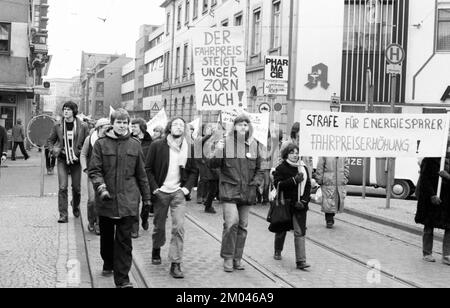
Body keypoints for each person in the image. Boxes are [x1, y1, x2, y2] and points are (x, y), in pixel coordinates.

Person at [89, 109, 151, 288]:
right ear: (112, 123)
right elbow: (94, 170)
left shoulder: (135, 144)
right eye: (119, 122)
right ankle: (108, 261)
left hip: (128, 200)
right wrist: (101, 187)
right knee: (107, 239)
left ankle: (123, 280)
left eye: (125, 123)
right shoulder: (101, 144)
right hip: (106, 199)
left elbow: (141, 174)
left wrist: (147, 199)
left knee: (124, 242)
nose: (122, 126)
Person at [208, 114, 263, 273]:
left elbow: (260, 168)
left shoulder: (254, 145)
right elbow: (212, 164)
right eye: (240, 124)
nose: (243, 127)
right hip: (229, 190)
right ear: (234, 126)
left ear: (249, 127)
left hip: (247, 192)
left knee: (243, 227)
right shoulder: (225, 143)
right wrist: (218, 150)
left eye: (246, 124)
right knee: (231, 223)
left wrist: (256, 181)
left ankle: (237, 258)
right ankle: (227, 257)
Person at [145, 117, 198, 279]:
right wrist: (155, 189)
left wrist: (186, 189)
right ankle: (156, 248)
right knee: (159, 226)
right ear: (169, 127)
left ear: (185, 129)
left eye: (182, 125)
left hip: (178, 194)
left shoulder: (190, 148)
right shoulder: (157, 145)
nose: (178, 127)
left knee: (179, 227)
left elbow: (194, 171)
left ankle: (176, 263)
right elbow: (148, 168)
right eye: (175, 124)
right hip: (161, 192)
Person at [47, 102, 90, 223]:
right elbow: (50, 141)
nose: (66, 111)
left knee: (76, 188)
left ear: (74, 111)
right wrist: (53, 151)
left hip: (76, 161)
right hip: (62, 159)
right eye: (64, 109)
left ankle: (75, 206)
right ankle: (63, 214)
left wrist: (82, 153)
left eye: (69, 109)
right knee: (62, 187)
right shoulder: (58, 125)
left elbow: (88, 142)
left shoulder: (83, 125)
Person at [273, 143, 311, 270]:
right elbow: (278, 184)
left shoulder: (303, 168)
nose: (295, 155)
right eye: (292, 152)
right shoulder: (281, 168)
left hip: (299, 206)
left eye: (296, 152)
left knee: (299, 232)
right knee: (281, 230)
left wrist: (304, 201)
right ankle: (278, 249)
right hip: (285, 204)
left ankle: (301, 261)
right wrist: (294, 180)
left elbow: (308, 186)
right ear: (286, 154)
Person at [415, 138, 450, 265]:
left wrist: (447, 177)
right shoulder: (430, 159)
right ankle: (427, 252)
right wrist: (432, 195)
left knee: (449, 228)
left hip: (447, 201)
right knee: (429, 225)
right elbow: (424, 179)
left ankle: (447, 255)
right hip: (432, 199)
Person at [80, 118, 110, 235]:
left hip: (105, 174)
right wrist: (85, 168)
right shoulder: (90, 139)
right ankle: (91, 221)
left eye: (108, 127)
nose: (107, 129)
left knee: (102, 200)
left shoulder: (110, 139)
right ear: (99, 128)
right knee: (92, 200)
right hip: (92, 174)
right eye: (104, 127)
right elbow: (83, 154)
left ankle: (99, 224)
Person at [131, 118, 153, 238]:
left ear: (142, 127)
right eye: (132, 126)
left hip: (147, 176)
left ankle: (144, 218)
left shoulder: (151, 142)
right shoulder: (128, 140)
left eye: (135, 126)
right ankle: (134, 229)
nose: (132, 128)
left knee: (147, 204)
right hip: (133, 176)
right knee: (135, 202)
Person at [314, 157, 349, 228]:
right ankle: (329, 219)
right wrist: (320, 180)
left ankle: (331, 217)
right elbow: (320, 167)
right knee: (328, 201)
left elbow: (346, 167)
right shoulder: (325, 152)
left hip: (339, 181)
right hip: (328, 181)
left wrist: (345, 179)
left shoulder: (343, 153)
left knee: (336, 200)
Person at [195, 124, 219, 214]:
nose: (210, 129)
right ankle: (202, 199)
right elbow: (200, 142)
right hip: (204, 163)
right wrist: (209, 135)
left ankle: (207, 201)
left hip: (213, 164)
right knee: (204, 181)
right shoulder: (199, 138)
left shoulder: (213, 139)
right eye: (208, 128)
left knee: (213, 186)